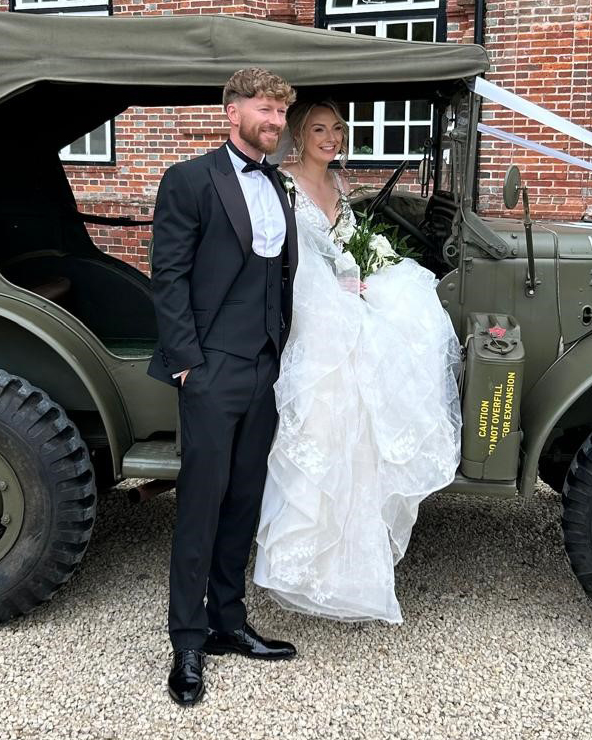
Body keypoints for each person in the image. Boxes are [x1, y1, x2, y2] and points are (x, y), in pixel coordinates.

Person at [253, 99, 462, 624]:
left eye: (338, 129)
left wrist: (369, 274)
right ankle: (301, 557)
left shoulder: (340, 186)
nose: (332, 137)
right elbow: (281, 252)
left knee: (404, 318)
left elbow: (347, 247)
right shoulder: (279, 183)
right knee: (335, 392)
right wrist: (336, 290)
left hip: (339, 292)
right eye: (319, 129)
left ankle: (352, 561)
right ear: (298, 135)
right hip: (301, 300)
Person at [147, 68, 301, 707]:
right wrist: (188, 364)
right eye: (266, 109)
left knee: (244, 500)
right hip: (211, 369)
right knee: (201, 505)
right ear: (231, 113)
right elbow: (169, 275)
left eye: (281, 112)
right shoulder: (189, 180)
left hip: (267, 365)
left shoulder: (280, 184)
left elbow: (283, 273)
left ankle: (229, 622)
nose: (276, 122)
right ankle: (187, 638)